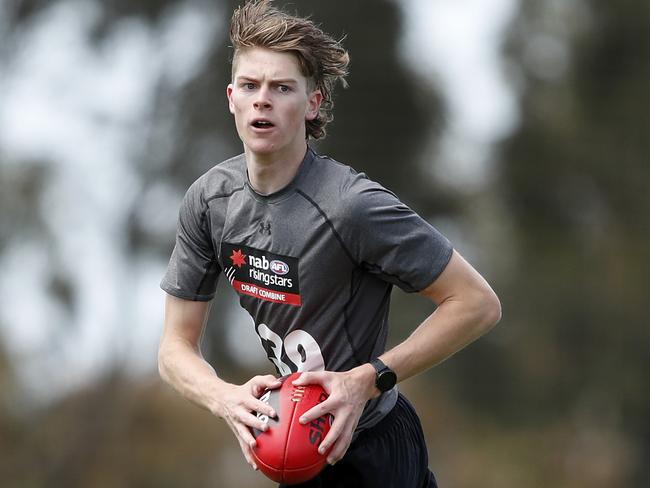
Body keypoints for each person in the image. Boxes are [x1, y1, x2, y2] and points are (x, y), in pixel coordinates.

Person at [158, 1, 501, 486]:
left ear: (313, 103)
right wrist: (224, 397)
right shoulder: (209, 201)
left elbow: (476, 304)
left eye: (282, 88)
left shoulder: (352, 206)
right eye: (251, 86)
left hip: (376, 445)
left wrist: (368, 379)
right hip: (297, 449)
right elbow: (174, 347)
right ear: (231, 97)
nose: (263, 100)